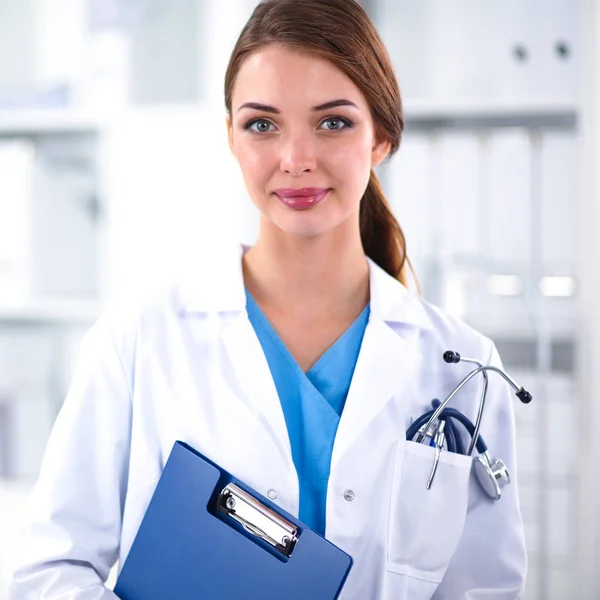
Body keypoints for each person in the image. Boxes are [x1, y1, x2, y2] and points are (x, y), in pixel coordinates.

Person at [7, 0, 527, 598]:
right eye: (262, 124)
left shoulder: (461, 365)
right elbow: (46, 574)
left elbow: (485, 589)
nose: (296, 160)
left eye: (333, 122)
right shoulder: (139, 340)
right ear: (230, 136)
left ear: (381, 136)